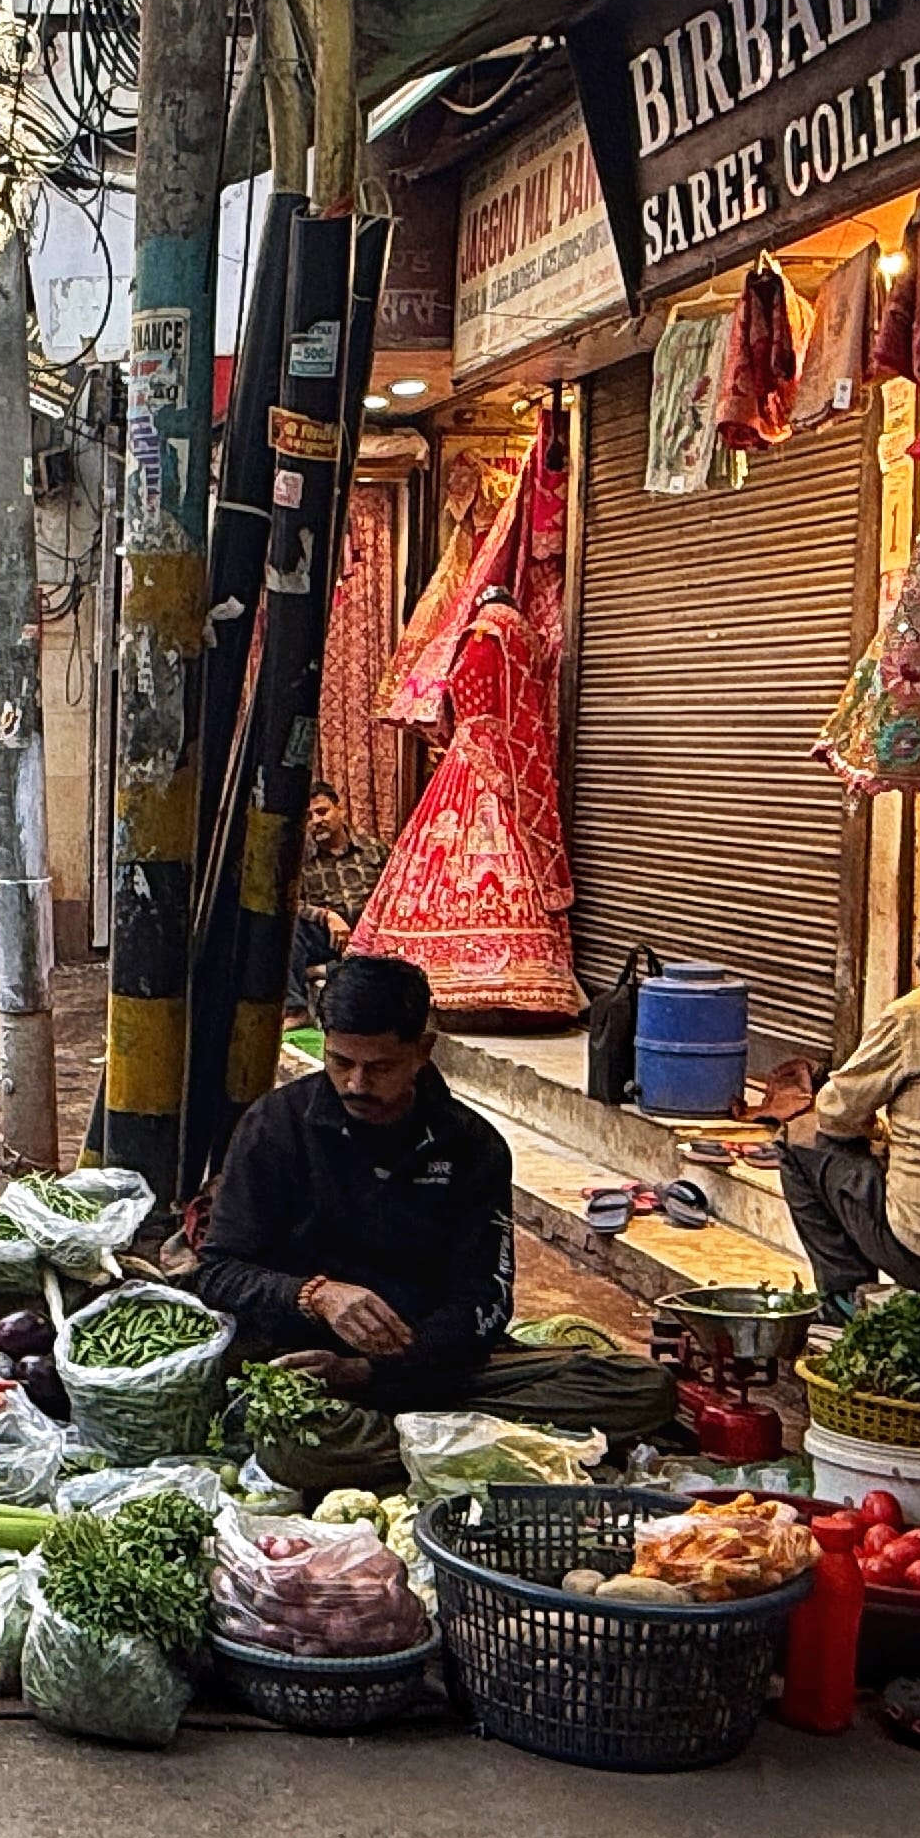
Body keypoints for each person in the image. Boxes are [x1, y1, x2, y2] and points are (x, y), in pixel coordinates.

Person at [195, 956, 676, 1433]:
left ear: (423, 1050)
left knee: (641, 1388)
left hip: (426, 1370)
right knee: (295, 1437)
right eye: (340, 1062)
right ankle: (439, 1438)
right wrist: (314, 1295)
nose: (356, 1084)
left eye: (379, 1067)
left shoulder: (472, 1146)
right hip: (306, 1366)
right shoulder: (274, 1126)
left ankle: (412, 1437)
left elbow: (483, 1304)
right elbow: (218, 1271)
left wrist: (373, 1373)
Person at [346, 583, 586, 1019]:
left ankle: (440, 971)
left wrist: (455, 733)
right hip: (512, 758)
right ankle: (529, 974)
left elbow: (458, 697)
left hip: (473, 755)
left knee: (440, 859)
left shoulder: (481, 634)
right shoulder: (526, 640)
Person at [754, 886, 920, 1316]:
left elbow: (834, 1114)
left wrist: (873, 1134)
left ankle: (843, 1300)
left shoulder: (916, 1015)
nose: (917, 960)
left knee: (798, 1137)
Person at [285, 780, 385, 1009]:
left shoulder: (374, 850)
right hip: (328, 939)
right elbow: (289, 903)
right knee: (289, 927)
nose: (316, 821)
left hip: (370, 936)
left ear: (341, 810)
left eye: (322, 812)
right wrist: (326, 916)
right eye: (309, 817)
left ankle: (321, 971)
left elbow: (395, 890)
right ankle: (295, 1008)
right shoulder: (299, 860)